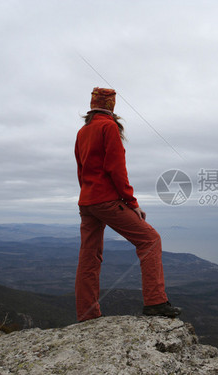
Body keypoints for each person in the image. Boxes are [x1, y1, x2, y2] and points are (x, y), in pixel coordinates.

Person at [74, 87, 181, 321]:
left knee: (89, 257)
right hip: (106, 200)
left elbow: (81, 170)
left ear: (92, 105)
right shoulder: (109, 127)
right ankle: (155, 301)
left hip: (87, 201)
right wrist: (131, 202)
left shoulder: (83, 131)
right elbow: (116, 169)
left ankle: (86, 314)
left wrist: (88, 196)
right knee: (150, 239)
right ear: (112, 106)